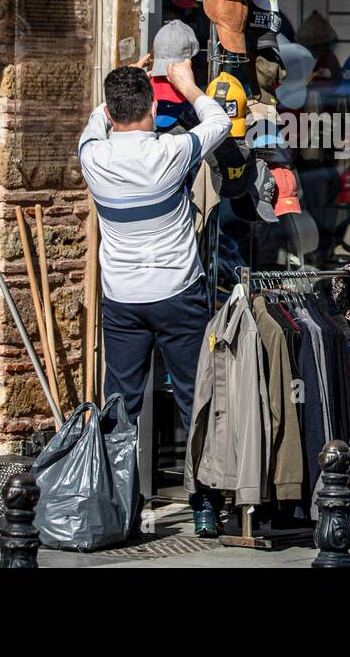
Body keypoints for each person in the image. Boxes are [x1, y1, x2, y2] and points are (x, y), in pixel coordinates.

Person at [77, 58, 230, 537]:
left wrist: (122, 82)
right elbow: (220, 121)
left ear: (111, 110)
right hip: (177, 294)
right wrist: (186, 85)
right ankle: (204, 505)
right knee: (194, 399)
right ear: (153, 107)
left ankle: (118, 506)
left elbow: (95, 122)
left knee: (121, 403)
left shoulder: (92, 157)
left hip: (122, 298)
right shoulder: (170, 152)